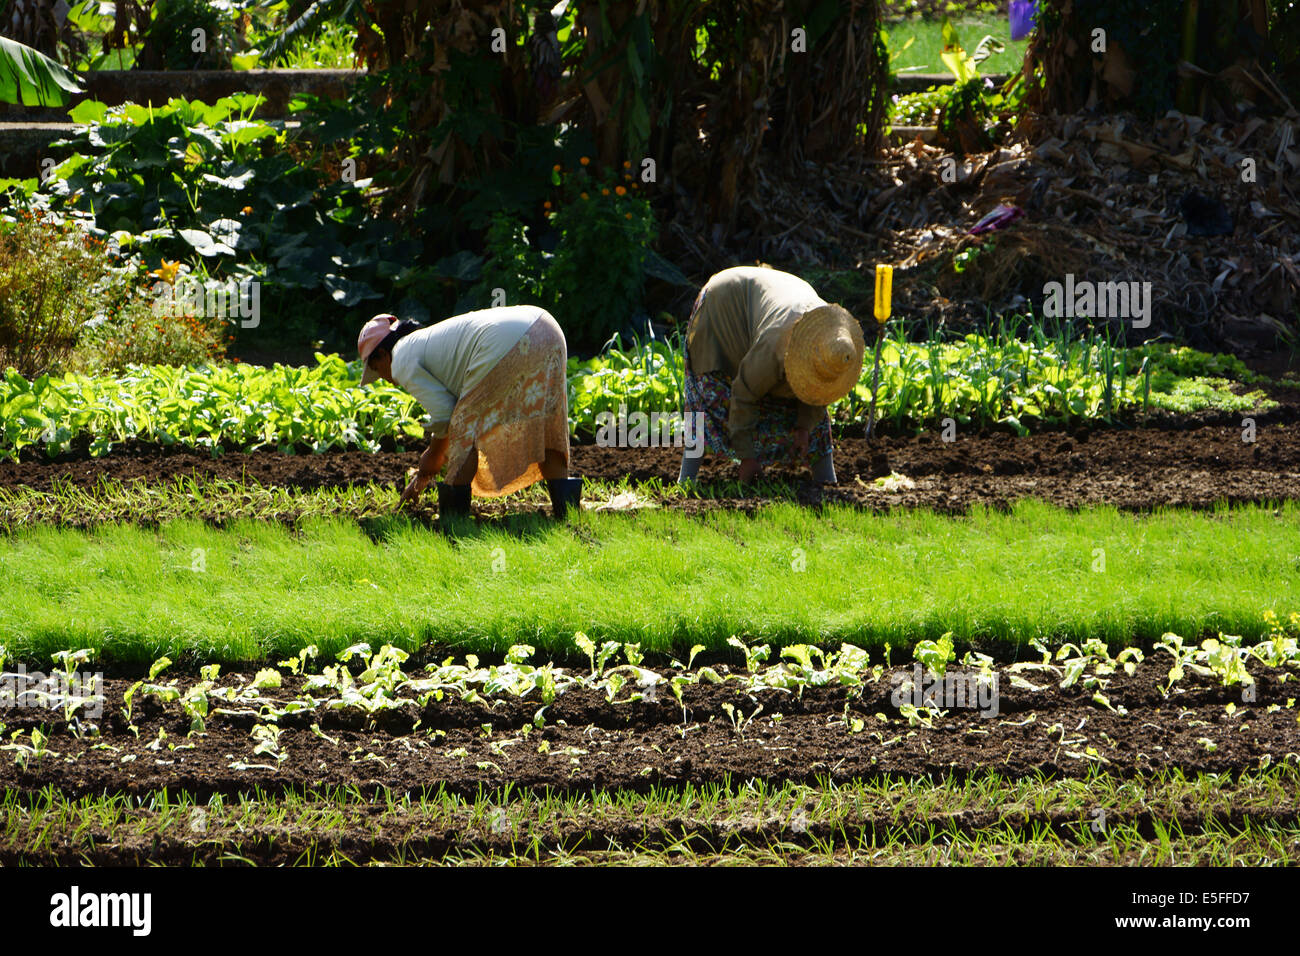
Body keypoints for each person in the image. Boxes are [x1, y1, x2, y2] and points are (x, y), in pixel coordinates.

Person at [357, 305, 582, 517]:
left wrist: (430, 461)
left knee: (464, 430)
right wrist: (433, 458)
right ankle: (567, 515)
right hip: (546, 327)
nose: (385, 378)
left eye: (377, 370)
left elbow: (446, 416)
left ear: (384, 355)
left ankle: (455, 520)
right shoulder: (422, 342)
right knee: (546, 423)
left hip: (504, 341)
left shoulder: (401, 357)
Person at [677, 265, 866, 484]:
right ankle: (686, 481)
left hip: (769, 307)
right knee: (709, 397)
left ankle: (827, 482)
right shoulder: (777, 343)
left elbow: (817, 394)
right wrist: (747, 459)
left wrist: (804, 427)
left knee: (816, 421)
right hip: (721, 308)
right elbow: (744, 392)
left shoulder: (832, 336)